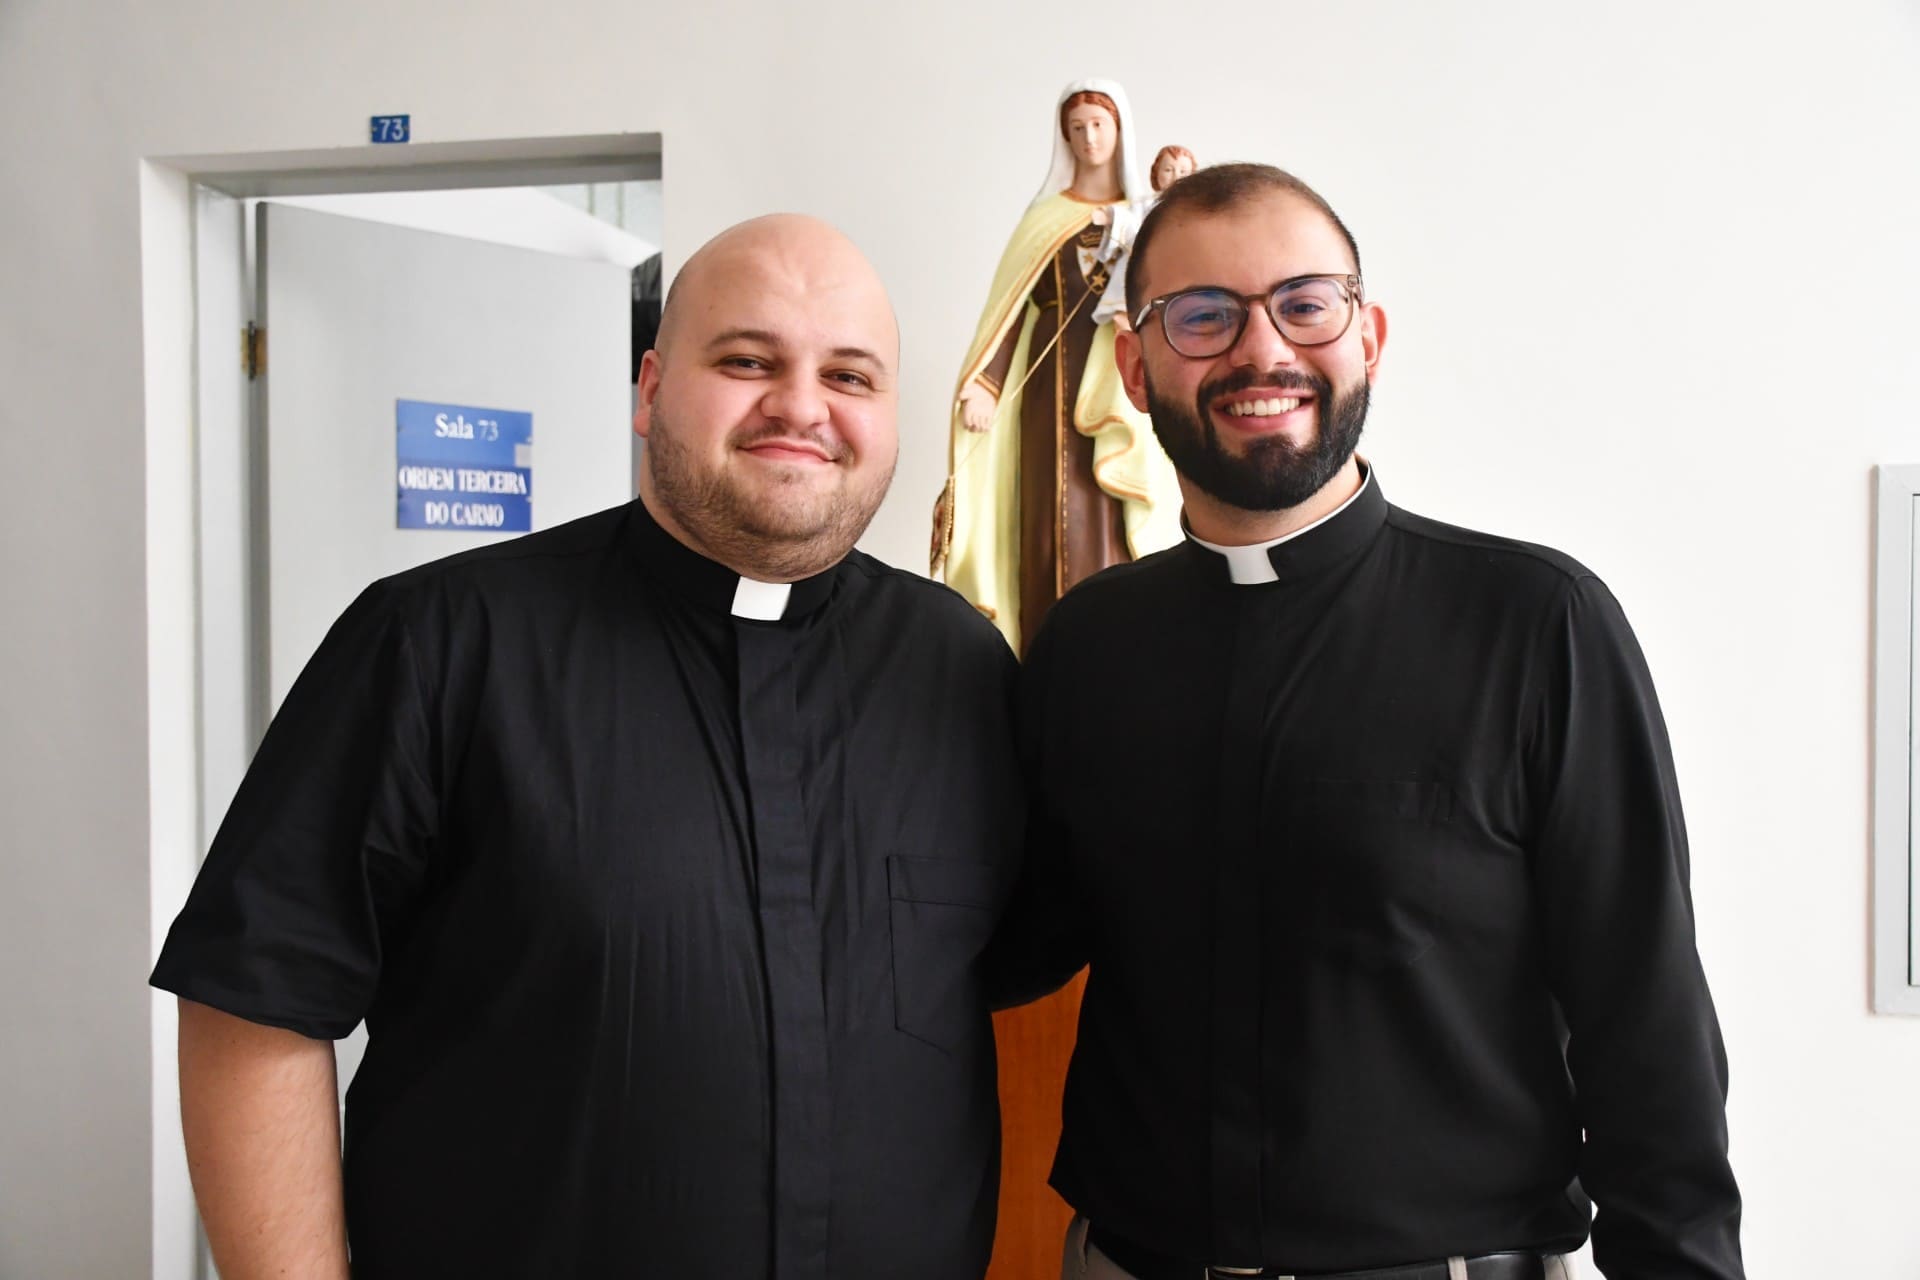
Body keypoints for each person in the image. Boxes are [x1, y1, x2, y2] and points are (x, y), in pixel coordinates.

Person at [151, 214, 1024, 1280]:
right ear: (650, 389)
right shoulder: (438, 642)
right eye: (747, 361)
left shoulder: (962, 668)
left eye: (849, 376)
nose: (802, 406)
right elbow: (253, 1002)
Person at [994, 164, 1744, 1280]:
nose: (1261, 350)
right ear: (1136, 368)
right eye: (1202, 315)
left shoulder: (1537, 624)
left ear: (1368, 337)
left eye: (1304, 304)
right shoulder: (1087, 645)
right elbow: (1006, 938)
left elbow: (1647, 1021)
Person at [935, 77, 1181, 657]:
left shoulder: (1147, 217)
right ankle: (1044, 650)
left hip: (1123, 382)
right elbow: (1009, 307)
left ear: (1120, 131)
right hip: (1048, 383)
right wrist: (987, 383)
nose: (1089, 137)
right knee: (1051, 506)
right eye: (1077, 128)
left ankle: (1121, 649)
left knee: (1114, 505)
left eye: (1099, 125)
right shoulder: (1046, 217)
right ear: (1064, 137)